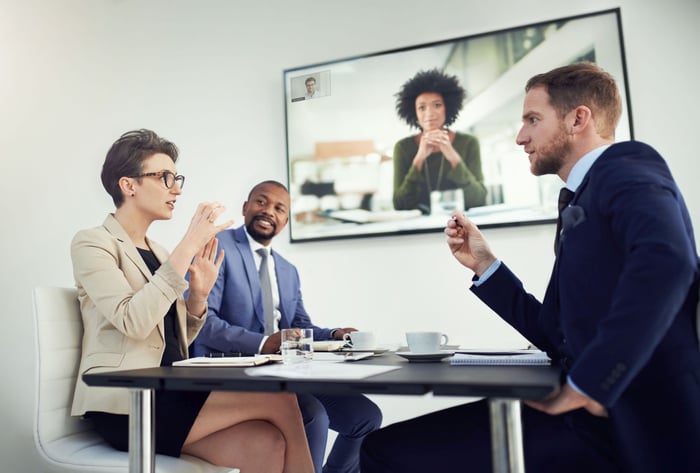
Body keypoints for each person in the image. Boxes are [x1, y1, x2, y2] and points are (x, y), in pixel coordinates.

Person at [361, 62, 700, 473]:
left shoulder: (627, 165)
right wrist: (486, 264)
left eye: (532, 120)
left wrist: (590, 384)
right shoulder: (581, 199)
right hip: (585, 410)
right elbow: (554, 334)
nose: (521, 136)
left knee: (384, 452)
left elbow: (668, 263)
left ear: (579, 119)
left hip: (622, 423)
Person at [70, 129, 314, 473]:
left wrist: (198, 297)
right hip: (127, 403)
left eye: (176, 178)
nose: (177, 188)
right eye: (165, 177)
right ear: (129, 185)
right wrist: (188, 244)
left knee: (265, 444)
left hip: (169, 389)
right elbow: (133, 321)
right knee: (281, 398)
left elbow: (174, 336)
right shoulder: (93, 243)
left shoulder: (158, 252)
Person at [191, 180, 382, 473]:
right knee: (314, 415)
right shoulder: (219, 247)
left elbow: (300, 327)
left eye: (279, 208)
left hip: (284, 372)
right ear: (245, 207)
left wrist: (334, 334)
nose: (269, 211)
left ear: (285, 220)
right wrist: (262, 343)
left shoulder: (287, 270)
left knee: (365, 416)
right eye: (261, 202)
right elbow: (203, 324)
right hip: (233, 372)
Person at [392, 68, 487, 213]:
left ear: (447, 108)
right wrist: (419, 159)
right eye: (422, 107)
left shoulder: (469, 143)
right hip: (419, 231)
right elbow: (400, 204)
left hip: (461, 228)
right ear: (414, 113)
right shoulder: (403, 148)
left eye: (437, 105)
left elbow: (479, 199)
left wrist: (452, 156)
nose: (429, 113)